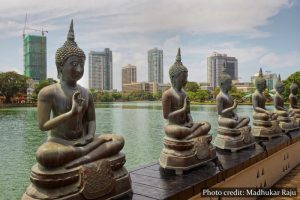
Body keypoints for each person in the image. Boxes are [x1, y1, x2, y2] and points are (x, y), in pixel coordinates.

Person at [36, 20, 124, 169]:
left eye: (81, 65)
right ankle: (88, 154)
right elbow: (43, 126)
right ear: (60, 66)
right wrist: (71, 113)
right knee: (44, 155)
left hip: (84, 140)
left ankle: (81, 156)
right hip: (59, 142)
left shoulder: (86, 93)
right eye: (74, 64)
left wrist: (90, 136)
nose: (79, 69)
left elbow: (91, 120)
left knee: (118, 140)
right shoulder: (48, 92)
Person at [162, 48, 211, 140]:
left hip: (186, 125)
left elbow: (188, 113)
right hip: (173, 126)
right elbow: (166, 116)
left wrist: (191, 122)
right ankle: (191, 135)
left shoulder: (184, 93)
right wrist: (183, 109)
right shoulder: (167, 94)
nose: (186, 80)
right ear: (173, 78)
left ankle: (188, 136)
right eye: (183, 77)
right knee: (178, 131)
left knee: (207, 125)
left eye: (186, 77)